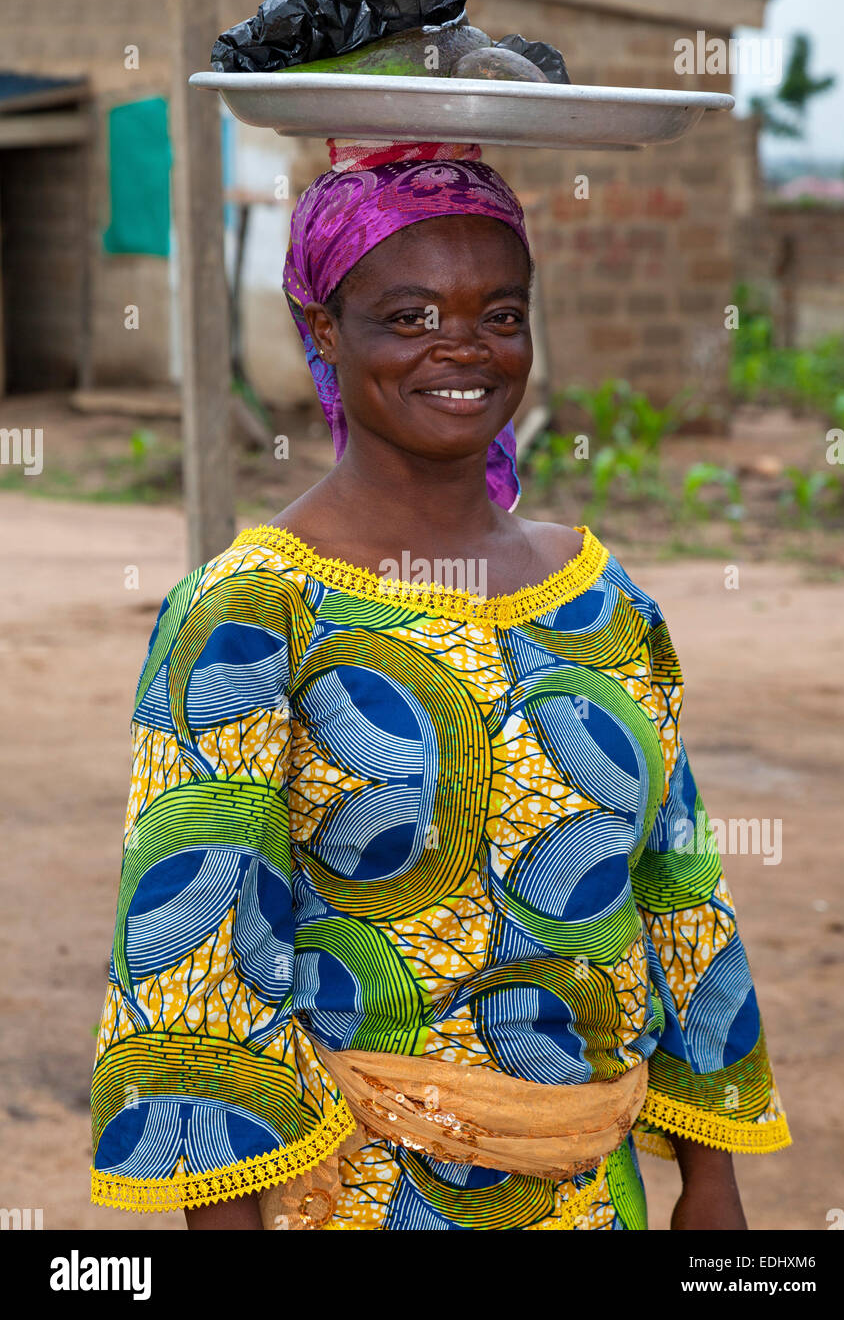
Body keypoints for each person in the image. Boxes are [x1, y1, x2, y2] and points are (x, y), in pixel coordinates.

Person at [90, 139, 790, 1230]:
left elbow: (679, 892)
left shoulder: (603, 605)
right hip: (360, 1196)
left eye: (497, 314)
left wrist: (711, 1180)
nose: (459, 347)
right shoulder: (252, 614)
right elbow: (196, 967)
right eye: (407, 316)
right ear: (320, 331)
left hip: (588, 1193)